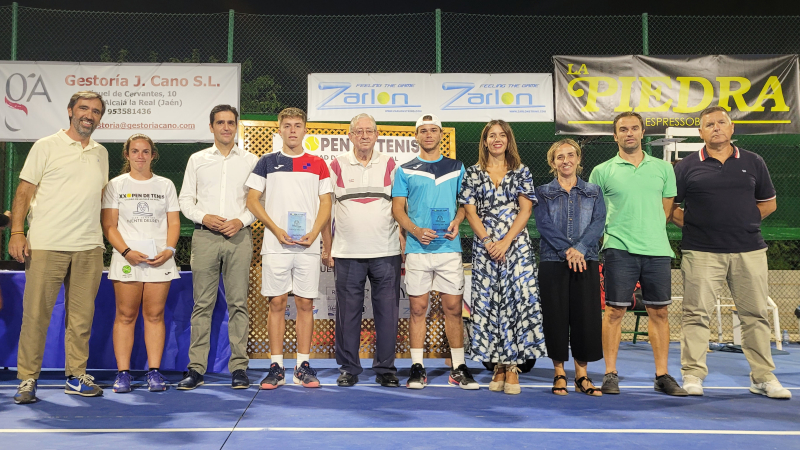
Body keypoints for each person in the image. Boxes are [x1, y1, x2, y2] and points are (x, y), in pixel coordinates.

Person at [672, 106, 791, 399]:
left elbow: (769, 203)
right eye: (709, 124)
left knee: (755, 315)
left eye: (721, 122)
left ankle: (763, 377)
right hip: (700, 252)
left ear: (731, 128)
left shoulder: (754, 162)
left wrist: (743, 223)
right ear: (701, 132)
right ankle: (693, 375)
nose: (716, 127)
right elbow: (670, 207)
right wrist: (700, 225)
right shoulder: (686, 166)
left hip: (749, 251)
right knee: (696, 314)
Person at [11, 91, 109, 404]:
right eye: (84, 108)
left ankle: (75, 376)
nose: (89, 115)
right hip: (46, 245)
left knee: (81, 319)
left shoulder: (101, 153)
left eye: (95, 111)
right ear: (70, 111)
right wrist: (16, 231)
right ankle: (27, 379)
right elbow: (24, 191)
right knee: (36, 316)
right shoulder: (45, 146)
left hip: (89, 248)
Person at [589, 111, 688, 396]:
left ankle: (663, 375)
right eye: (623, 129)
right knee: (614, 311)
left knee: (659, 311)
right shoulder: (602, 171)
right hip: (618, 248)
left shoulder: (663, 168)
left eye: (634, 128)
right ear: (615, 135)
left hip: (657, 250)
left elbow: (667, 211)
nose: (629, 133)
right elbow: (595, 214)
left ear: (642, 133)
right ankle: (610, 373)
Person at [246, 107, 332, 390]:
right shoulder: (266, 162)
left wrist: (314, 233)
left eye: (298, 125)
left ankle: (303, 366)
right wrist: (275, 228)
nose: (292, 130)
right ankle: (276, 367)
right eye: (287, 125)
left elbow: (326, 203)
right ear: (279, 129)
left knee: (306, 304)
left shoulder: (318, 163)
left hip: (307, 246)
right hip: (276, 244)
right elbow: (252, 201)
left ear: (305, 129)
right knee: (277, 304)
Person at [459, 119, 547, 395]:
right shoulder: (472, 173)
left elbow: (525, 210)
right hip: (485, 250)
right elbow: (470, 212)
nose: (497, 140)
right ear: (484, 142)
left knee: (515, 305)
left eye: (502, 135)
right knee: (487, 307)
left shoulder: (521, 171)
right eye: (491, 136)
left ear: (509, 140)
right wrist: (487, 241)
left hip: (516, 248)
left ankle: (512, 367)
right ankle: (497, 365)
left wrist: (505, 242)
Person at [392, 113, 478, 390]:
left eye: (433, 130)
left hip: (448, 248)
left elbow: (465, 204)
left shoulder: (457, 167)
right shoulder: (404, 170)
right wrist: (415, 231)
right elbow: (397, 210)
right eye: (423, 131)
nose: (428, 135)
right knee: (417, 309)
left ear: (441, 135)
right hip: (418, 249)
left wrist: (458, 220)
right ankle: (417, 367)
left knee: (453, 308)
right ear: (416, 136)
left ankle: (459, 368)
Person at [177, 105, 258, 390]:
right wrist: (205, 217)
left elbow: (259, 202)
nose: (226, 127)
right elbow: (185, 201)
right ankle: (196, 368)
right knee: (202, 305)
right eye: (220, 123)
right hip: (205, 237)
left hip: (239, 237)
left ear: (237, 126)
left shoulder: (251, 160)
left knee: (239, 304)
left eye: (230, 122)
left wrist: (241, 220)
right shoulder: (197, 160)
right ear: (211, 127)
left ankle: (239, 368)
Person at [321, 113, 403, 388]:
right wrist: (328, 247)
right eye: (359, 131)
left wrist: (403, 240)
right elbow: (325, 209)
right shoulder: (336, 165)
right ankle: (349, 368)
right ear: (351, 135)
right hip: (346, 253)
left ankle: (386, 368)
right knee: (347, 314)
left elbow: (401, 206)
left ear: (377, 135)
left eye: (369, 131)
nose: (365, 135)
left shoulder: (391, 164)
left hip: (387, 251)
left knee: (388, 314)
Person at [101, 134, 180, 393]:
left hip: (160, 260)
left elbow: (174, 223)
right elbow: (109, 225)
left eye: (145, 152)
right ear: (127, 155)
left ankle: (154, 373)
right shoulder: (115, 185)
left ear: (153, 155)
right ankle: (122, 374)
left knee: (155, 315)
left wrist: (169, 250)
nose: (140, 156)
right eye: (135, 151)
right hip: (126, 259)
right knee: (125, 316)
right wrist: (126, 251)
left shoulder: (166, 185)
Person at [534, 139, 606, 396]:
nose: (566, 160)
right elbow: (543, 224)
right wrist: (567, 250)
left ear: (578, 159)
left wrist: (581, 249)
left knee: (585, 318)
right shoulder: (542, 192)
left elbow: (599, 222)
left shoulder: (594, 191)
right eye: (560, 157)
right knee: (556, 318)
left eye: (570, 155)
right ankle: (559, 373)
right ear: (553, 162)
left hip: (586, 261)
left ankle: (582, 376)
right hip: (553, 262)